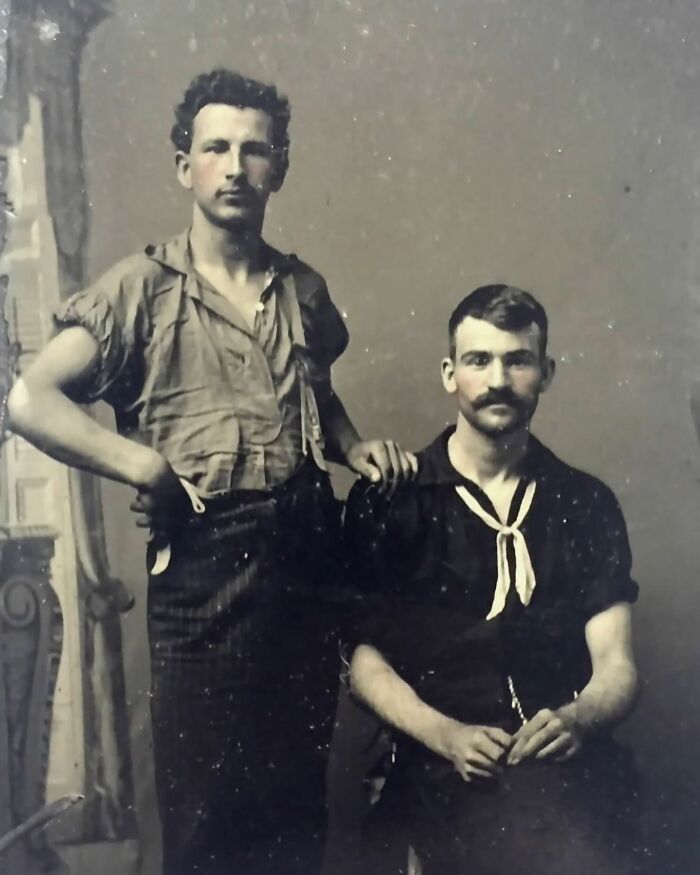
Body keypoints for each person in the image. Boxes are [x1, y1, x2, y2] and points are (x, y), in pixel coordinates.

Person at [7, 68, 416, 875]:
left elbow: (312, 392)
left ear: (280, 168)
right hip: (204, 569)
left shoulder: (303, 287)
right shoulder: (141, 290)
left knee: (297, 803)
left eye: (255, 150)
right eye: (216, 147)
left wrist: (351, 445)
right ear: (183, 166)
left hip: (305, 559)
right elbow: (29, 399)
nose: (235, 166)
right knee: (207, 814)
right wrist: (140, 461)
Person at [345, 285, 642, 874]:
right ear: (450, 374)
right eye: (479, 360)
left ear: (546, 372)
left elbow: (617, 665)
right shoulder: (392, 502)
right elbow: (363, 663)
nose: (498, 379)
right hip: (436, 762)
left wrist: (578, 719)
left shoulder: (584, 503)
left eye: (518, 360)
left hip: (560, 760)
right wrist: (447, 736)